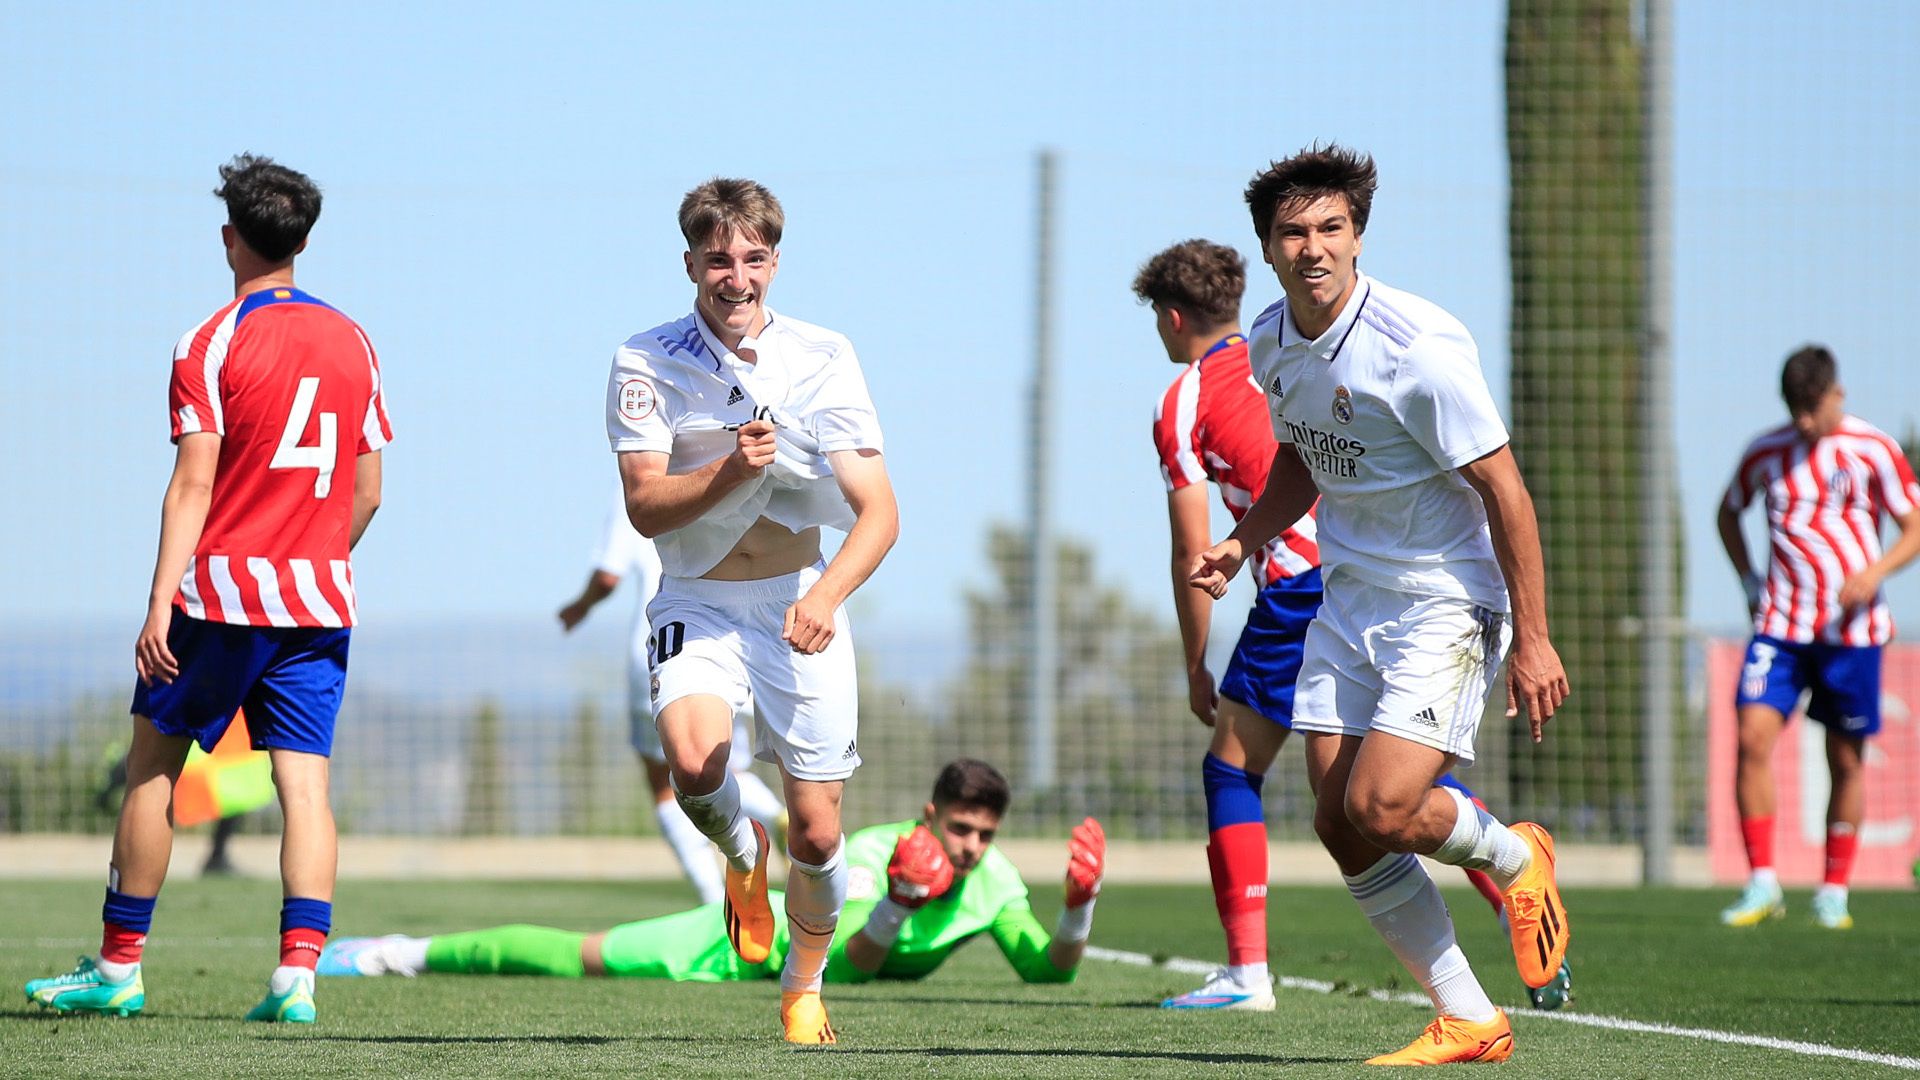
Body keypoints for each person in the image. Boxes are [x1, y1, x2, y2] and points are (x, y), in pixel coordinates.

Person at [1190, 145, 1570, 1066]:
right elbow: (1302, 457)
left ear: (1358, 237)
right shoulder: (1272, 343)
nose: (1312, 248)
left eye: (1330, 229)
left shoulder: (1418, 349)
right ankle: (1471, 1018)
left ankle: (1517, 859)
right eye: (1293, 232)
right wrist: (1243, 542)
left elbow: (1505, 490)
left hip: (1445, 601)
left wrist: (1535, 639)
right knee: (1336, 818)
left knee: (1387, 805)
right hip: (1348, 598)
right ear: (1268, 249)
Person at [26, 155, 392, 1024]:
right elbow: (369, 490)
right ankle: (295, 980)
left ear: (230, 238)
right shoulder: (355, 340)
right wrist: (309, 559)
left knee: (153, 765)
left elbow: (193, 484)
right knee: (305, 789)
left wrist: (160, 600)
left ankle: (118, 970)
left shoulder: (210, 340)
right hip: (318, 604)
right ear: (305, 239)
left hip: (219, 599)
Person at [604, 178, 900, 1043]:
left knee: (817, 829)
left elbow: (879, 511)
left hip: (797, 604)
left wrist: (825, 594)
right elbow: (645, 509)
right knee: (696, 766)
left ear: (775, 261)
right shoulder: (644, 359)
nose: (737, 276)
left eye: (754, 258)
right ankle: (742, 856)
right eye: (719, 258)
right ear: (690, 262)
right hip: (696, 600)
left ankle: (803, 986)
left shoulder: (824, 354)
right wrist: (731, 470)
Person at [317, 760, 1105, 992]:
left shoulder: (995, 879)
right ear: (930, 815)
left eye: (983, 834)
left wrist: (1077, 911)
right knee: (577, 955)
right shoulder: (873, 853)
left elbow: (1045, 973)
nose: (969, 846)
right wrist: (900, 900)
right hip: (741, 947)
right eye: (960, 828)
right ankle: (399, 952)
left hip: (779, 978)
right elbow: (854, 963)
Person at [1716, 346, 1920, 930]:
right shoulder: (1766, 451)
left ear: (1837, 394)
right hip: (1780, 628)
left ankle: (1833, 890)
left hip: (1850, 633)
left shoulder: (1873, 449)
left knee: (1846, 758)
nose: (1804, 421)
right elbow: (1728, 512)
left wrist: (1875, 573)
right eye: (1794, 409)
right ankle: (1761, 884)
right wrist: (1750, 580)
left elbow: (1914, 524)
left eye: (1813, 407)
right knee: (1751, 737)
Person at [556, 496, 786, 904]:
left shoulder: (641, 470)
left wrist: (580, 606)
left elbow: (608, 575)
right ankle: (773, 817)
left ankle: (716, 902)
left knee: (666, 783)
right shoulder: (731, 463)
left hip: (664, 645)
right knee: (725, 767)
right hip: (733, 642)